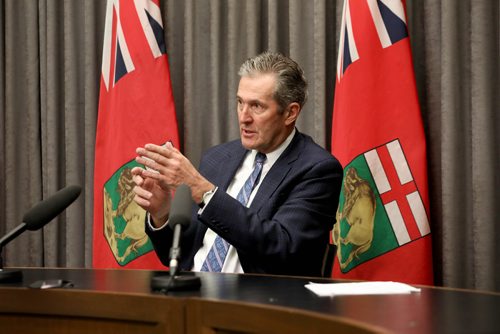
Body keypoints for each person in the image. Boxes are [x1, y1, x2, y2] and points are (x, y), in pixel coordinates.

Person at [132, 51, 343, 277]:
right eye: (240, 102)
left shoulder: (317, 169)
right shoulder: (217, 158)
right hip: (191, 296)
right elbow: (180, 256)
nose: (244, 117)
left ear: (290, 113)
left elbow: (283, 249)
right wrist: (162, 214)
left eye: (257, 106)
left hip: (257, 305)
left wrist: (204, 192)